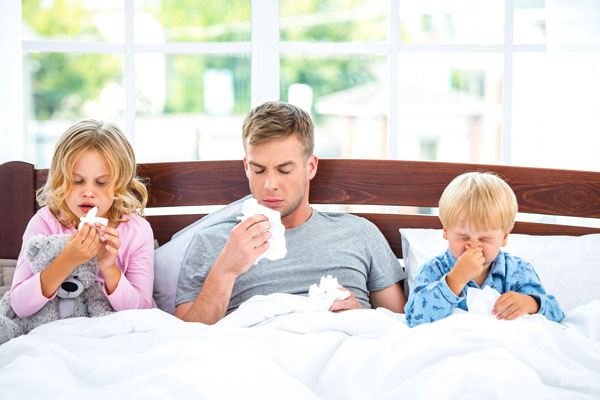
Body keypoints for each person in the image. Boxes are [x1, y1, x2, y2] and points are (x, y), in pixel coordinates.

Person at [175, 101, 407, 324]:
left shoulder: (359, 234)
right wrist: (225, 271)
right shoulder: (211, 241)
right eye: (258, 170)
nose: (269, 185)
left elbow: (401, 328)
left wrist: (361, 316)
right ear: (246, 167)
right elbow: (183, 340)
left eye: (284, 170)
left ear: (311, 167)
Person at [10, 119, 156, 318]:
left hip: (116, 333)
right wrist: (67, 260)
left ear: (120, 185)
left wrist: (109, 268)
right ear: (60, 179)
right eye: (77, 181)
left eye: (101, 182)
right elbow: (19, 306)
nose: (88, 192)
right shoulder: (44, 223)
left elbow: (144, 312)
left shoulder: (137, 231)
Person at [405, 172, 565, 327]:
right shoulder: (433, 270)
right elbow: (414, 319)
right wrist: (455, 280)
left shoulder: (518, 271)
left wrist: (530, 304)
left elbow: (556, 315)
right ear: (446, 231)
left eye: (485, 239)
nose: (473, 246)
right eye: (463, 237)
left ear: (504, 237)